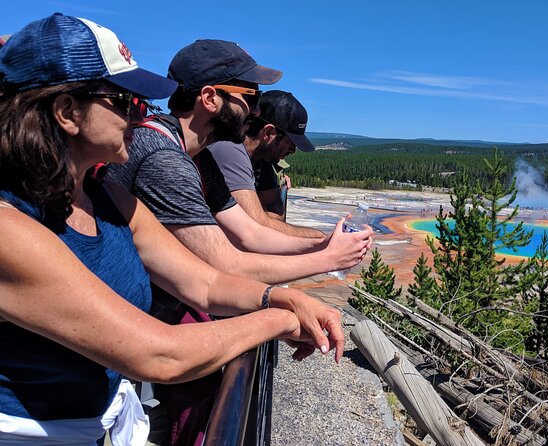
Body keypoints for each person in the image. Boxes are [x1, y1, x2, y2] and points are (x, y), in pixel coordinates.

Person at [0, 14, 341, 445]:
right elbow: (158, 354)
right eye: (125, 102)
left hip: (98, 420)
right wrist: (276, 321)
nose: (139, 115)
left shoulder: (105, 195)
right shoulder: (10, 227)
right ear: (67, 113)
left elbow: (206, 282)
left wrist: (283, 296)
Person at [105, 39, 371, 445]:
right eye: (250, 96)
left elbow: (251, 232)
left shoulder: (198, 156)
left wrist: (323, 248)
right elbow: (223, 265)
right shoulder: (163, 157)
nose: (256, 110)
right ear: (210, 98)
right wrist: (324, 261)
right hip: (117, 338)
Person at [209, 90, 324, 237]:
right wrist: (321, 237)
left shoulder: (261, 160)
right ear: (268, 133)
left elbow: (275, 209)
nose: (293, 150)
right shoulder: (228, 149)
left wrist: (266, 222)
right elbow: (255, 227)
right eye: (290, 141)